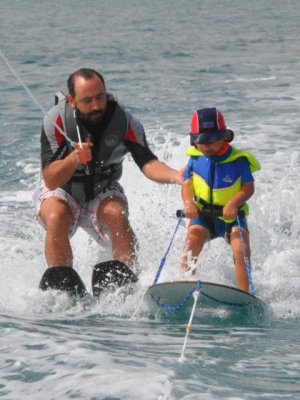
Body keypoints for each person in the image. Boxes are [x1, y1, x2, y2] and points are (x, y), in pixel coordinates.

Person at [34, 68, 183, 296]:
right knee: (56, 217)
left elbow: (148, 163)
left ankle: (127, 283)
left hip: (103, 188)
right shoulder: (55, 122)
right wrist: (73, 159)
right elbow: (51, 179)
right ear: (72, 100)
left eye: (100, 97)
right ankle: (61, 287)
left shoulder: (124, 122)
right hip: (63, 189)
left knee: (116, 214)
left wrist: (175, 176)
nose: (96, 106)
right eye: (87, 100)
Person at [181, 107, 261, 292]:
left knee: (241, 250)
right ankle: (184, 286)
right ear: (194, 140)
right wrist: (188, 203)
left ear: (225, 136)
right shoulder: (195, 159)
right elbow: (187, 185)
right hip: (202, 214)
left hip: (233, 216)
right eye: (201, 141)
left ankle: (244, 293)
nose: (206, 146)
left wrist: (233, 203)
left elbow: (248, 187)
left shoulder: (239, 160)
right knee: (190, 244)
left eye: (212, 140)